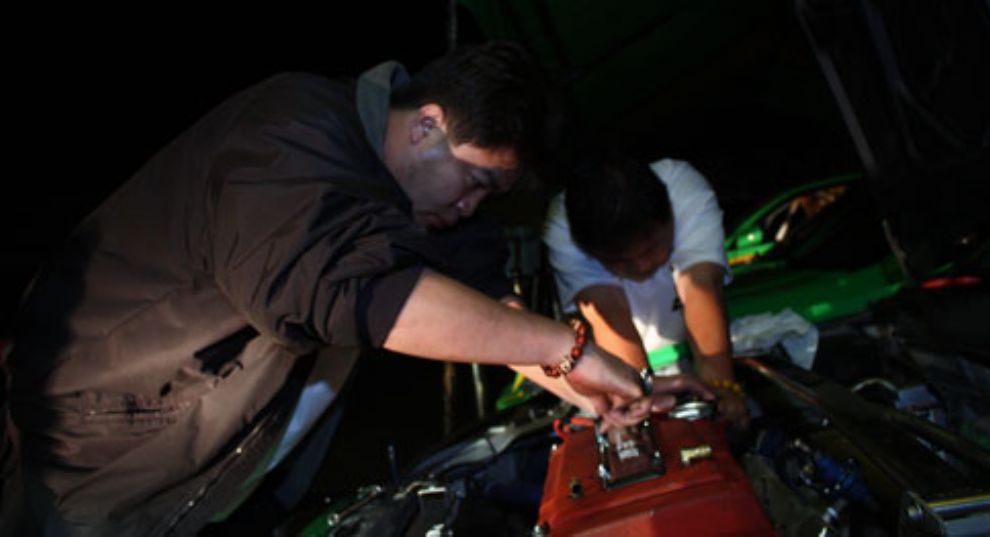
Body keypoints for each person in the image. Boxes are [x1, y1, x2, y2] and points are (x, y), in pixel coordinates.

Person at [0, 42, 709, 535]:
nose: (470, 207)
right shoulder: (292, 131)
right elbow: (343, 292)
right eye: (474, 183)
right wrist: (567, 347)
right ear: (427, 125)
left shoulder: (422, 200)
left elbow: (494, 312)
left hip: (226, 479)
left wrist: (596, 391)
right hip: (95, 461)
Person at [544, 152, 749, 427]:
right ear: (589, 250)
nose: (642, 265)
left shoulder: (683, 187)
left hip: (694, 351)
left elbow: (700, 286)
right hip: (613, 367)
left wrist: (721, 389)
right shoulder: (562, 226)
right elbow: (608, 311)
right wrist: (639, 403)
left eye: (652, 249)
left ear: (670, 213)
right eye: (621, 261)